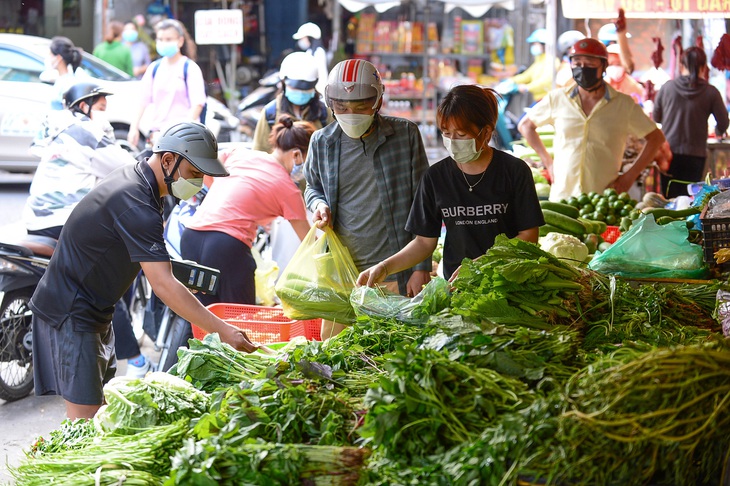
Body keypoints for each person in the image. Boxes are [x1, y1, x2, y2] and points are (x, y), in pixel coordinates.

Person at [31, 121, 258, 420]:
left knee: (100, 416)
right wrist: (223, 330)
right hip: (71, 312)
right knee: (84, 426)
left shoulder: (140, 182)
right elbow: (162, 285)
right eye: (194, 173)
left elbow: (144, 258)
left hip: (94, 310)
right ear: (168, 160)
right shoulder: (136, 201)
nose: (199, 183)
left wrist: (178, 276)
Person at [357, 84, 544, 288]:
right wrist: (385, 267)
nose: (453, 141)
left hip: (508, 283)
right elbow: (423, 242)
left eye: (462, 135)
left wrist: (485, 263)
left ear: (486, 132)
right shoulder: (435, 177)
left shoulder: (514, 171)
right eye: (446, 133)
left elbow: (529, 236)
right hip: (457, 287)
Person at [304, 59, 431, 338]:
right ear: (330, 103)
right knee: (336, 355)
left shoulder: (405, 135)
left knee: (393, 353)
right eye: (342, 107)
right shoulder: (322, 142)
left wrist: (420, 268)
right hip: (342, 274)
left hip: (395, 272)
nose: (351, 113)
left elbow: (425, 203)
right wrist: (318, 205)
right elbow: (312, 187)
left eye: (361, 105)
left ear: (378, 101)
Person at [181, 115, 313, 306]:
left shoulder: (239, 153)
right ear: (296, 155)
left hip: (191, 236)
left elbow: (209, 171)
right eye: (308, 159)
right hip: (226, 246)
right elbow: (308, 242)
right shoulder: (288, 189)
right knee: (240, 320)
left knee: (204, 318)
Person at [517, 38, 665, 202]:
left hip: (602, 200)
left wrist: (630, 176)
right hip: (563, 197)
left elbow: (656, 138)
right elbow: (525, 126)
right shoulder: (557, 99)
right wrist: (548, 163)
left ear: (603, 66)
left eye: (589, 62)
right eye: (577, 62)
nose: (582, 68)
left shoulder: (624, 105)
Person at [653, 46, 729, 198]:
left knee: (669, 201)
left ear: (681, 65)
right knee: (691, 201)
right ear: (703, 67)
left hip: (669, 156)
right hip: (696, 157)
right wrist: (719, 131)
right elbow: (723, 122)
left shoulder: (667, 88)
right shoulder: (710, 92)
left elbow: (656, 117)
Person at [127, 18, 205, 148]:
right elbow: (142, 101)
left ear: (180, 41)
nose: (163, 43)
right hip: (158, 136)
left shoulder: (190, 68)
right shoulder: (154, 68)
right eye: (160, 39)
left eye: (168, 39)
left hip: (184, 138)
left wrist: (182, 132)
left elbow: (197, 104)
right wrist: (133, 128)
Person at [252, 51, 332, 154]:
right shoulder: (270, 114)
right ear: (283, 82)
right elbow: (259, 152)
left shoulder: (324, 113)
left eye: (306, 89)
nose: (301, 92)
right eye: (295, 88)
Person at [509, 28, 559, 103]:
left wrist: (527, 87)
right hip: (539, 100)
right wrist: (510, 80)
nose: (533, 47)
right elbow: (526, 76)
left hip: (547, 100)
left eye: (535, 44)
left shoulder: (551, 61)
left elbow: (546, 81)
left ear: (544, 44)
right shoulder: (539, 61)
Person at [45, 36, 82, 111]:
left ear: (58, 58)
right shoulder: (62, 80)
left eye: (50, 55)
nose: (48, 58)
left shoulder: (67, 84)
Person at [292, 22, 329, 95]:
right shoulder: (310, 51)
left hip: (317, 92)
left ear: (310, 38)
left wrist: (320, 92)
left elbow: (322, 76)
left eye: (303, 38)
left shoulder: (319, 52)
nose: (301, 41)